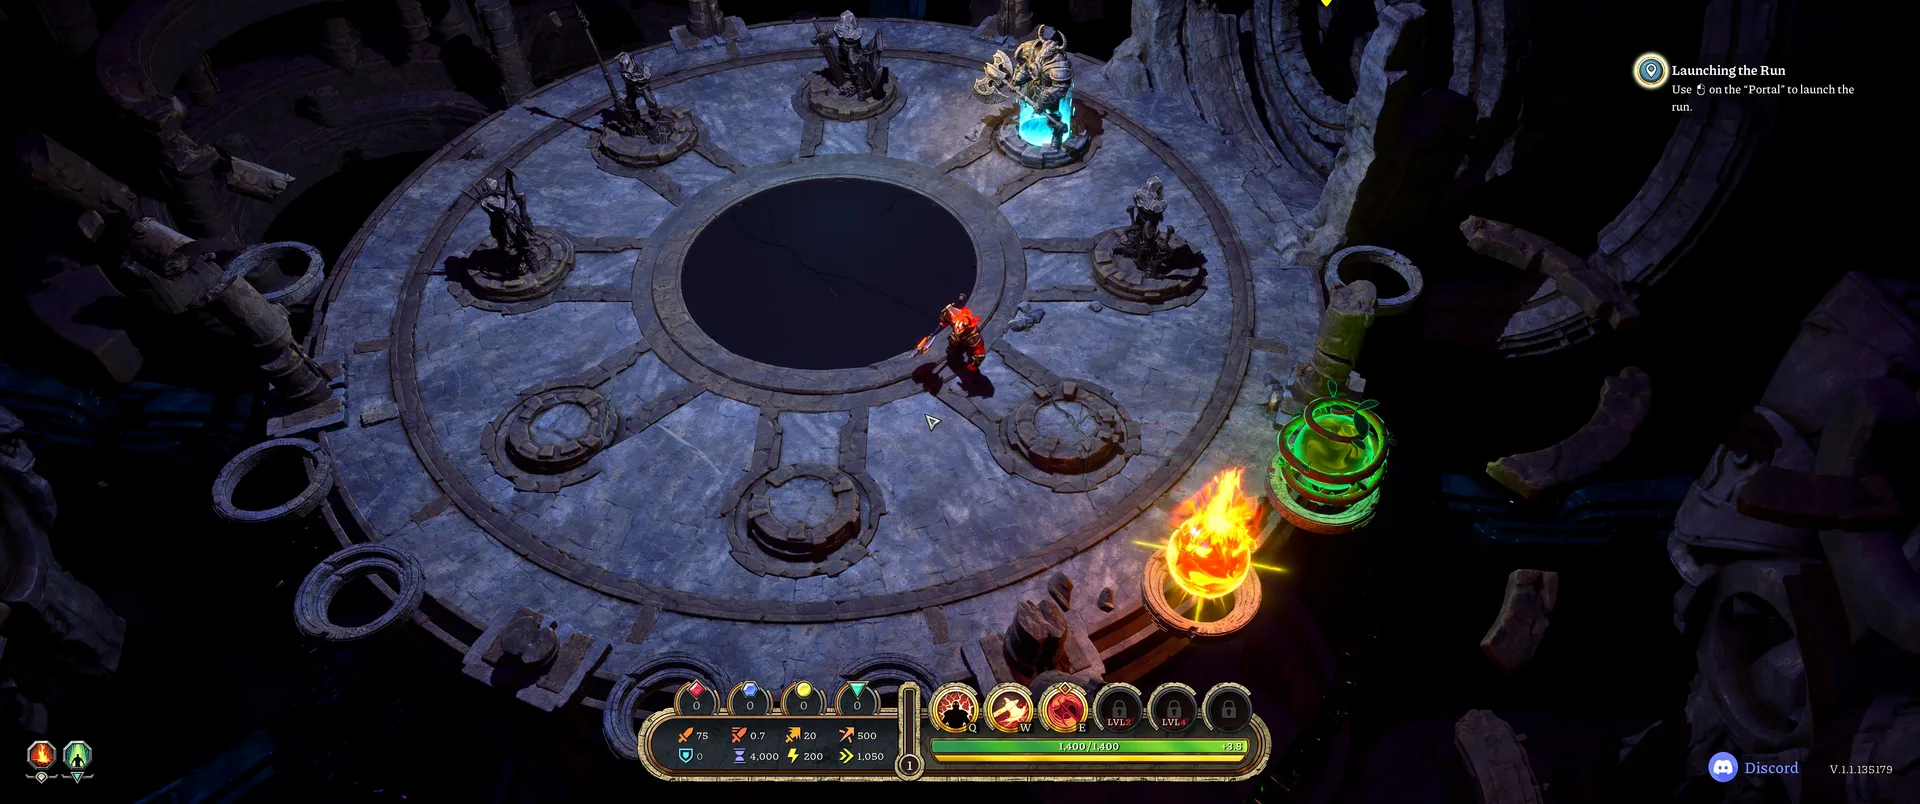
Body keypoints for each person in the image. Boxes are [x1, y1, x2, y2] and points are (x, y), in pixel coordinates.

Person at [914, 294, 986, 371]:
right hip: (957, 338)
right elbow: (944, 319)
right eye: (956, 325)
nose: (958, 329)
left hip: (968, 338)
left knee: (973, 350)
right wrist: (942, 323)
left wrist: (974, 365)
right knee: (953, 340)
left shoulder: (974, 337)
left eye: (961, 327)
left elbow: (980, 354)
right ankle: (953, 350)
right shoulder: (952, 317)